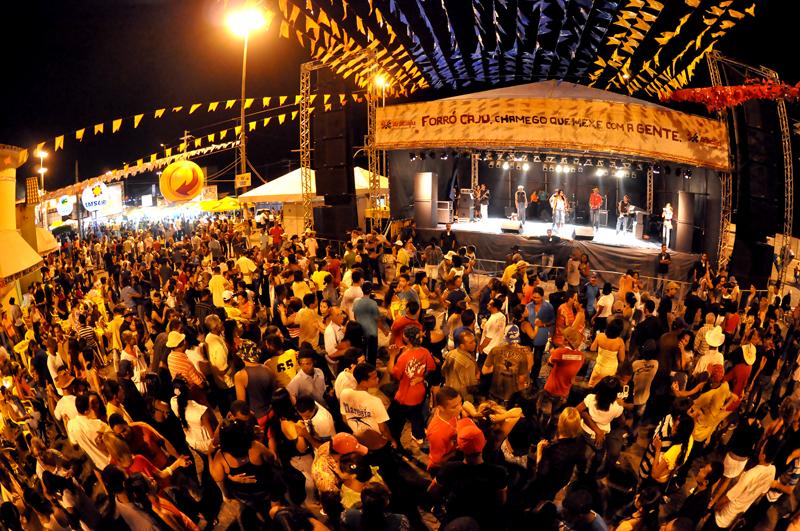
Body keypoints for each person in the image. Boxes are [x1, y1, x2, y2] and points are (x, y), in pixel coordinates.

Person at [429, 418, 508, 529]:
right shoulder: (499, 472)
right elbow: (501, 501)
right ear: (484, 442)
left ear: (460, 447)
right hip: (485, 520)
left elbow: (432, 491)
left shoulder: (449, 468)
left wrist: (441, 504)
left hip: (454, 519)